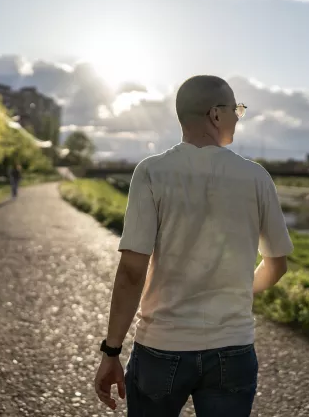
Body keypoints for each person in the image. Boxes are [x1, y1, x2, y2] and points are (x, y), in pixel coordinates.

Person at [94, 75, 294, 416]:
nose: (237, 117)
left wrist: (111, 352)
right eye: (236, 110)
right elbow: (276, 265)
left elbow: (131, 271)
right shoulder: (257, 177)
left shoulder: (152, 172)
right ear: (216, 115)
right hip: (233, 348)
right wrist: (235, 291)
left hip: (161, 347)